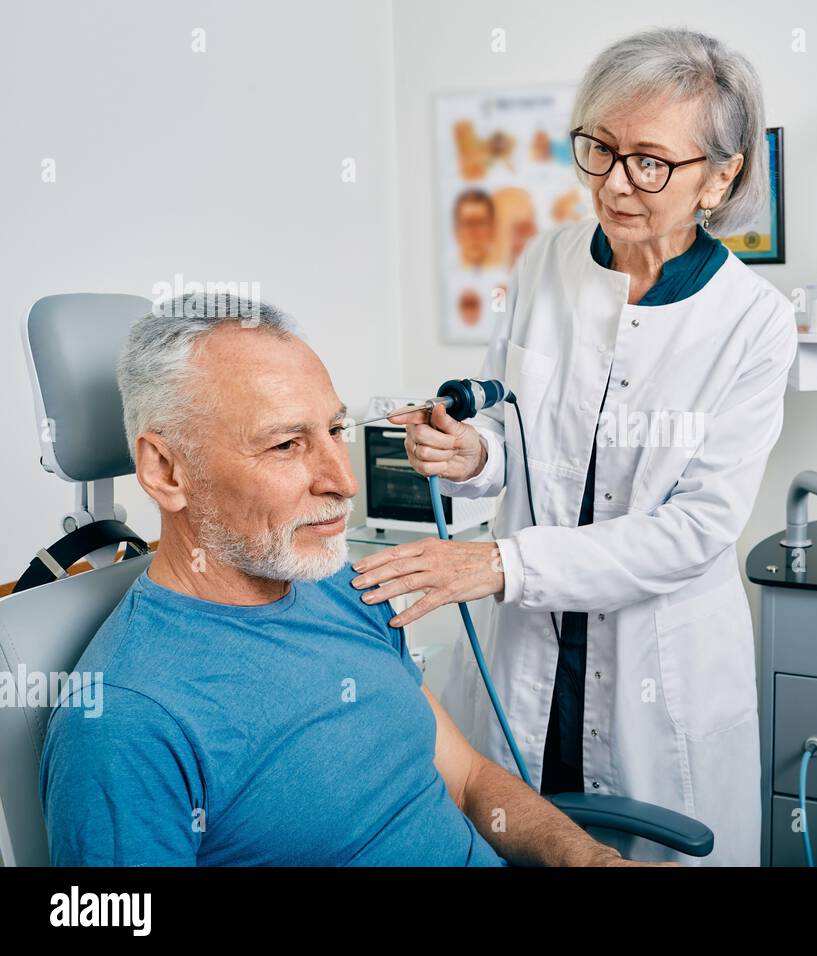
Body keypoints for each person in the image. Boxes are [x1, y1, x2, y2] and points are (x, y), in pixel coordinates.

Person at [350, 28, 797, 865]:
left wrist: (502, 566)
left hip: (659, 667)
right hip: (528, 654)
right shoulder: (546, 263)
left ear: (722, 173)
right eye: (599, 149)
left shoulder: (753, 323)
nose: (615, 183)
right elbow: (517, 427)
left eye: (650, 162)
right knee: (516, 830)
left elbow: (698, 529)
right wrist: (473, 454)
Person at [39, 294, 660, 867]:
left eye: (335, 430)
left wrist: (591, 860)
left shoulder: (346, 588)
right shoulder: (126, 724)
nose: (344, 481)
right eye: (286, 445)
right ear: (166, 468)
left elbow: (467, 780)